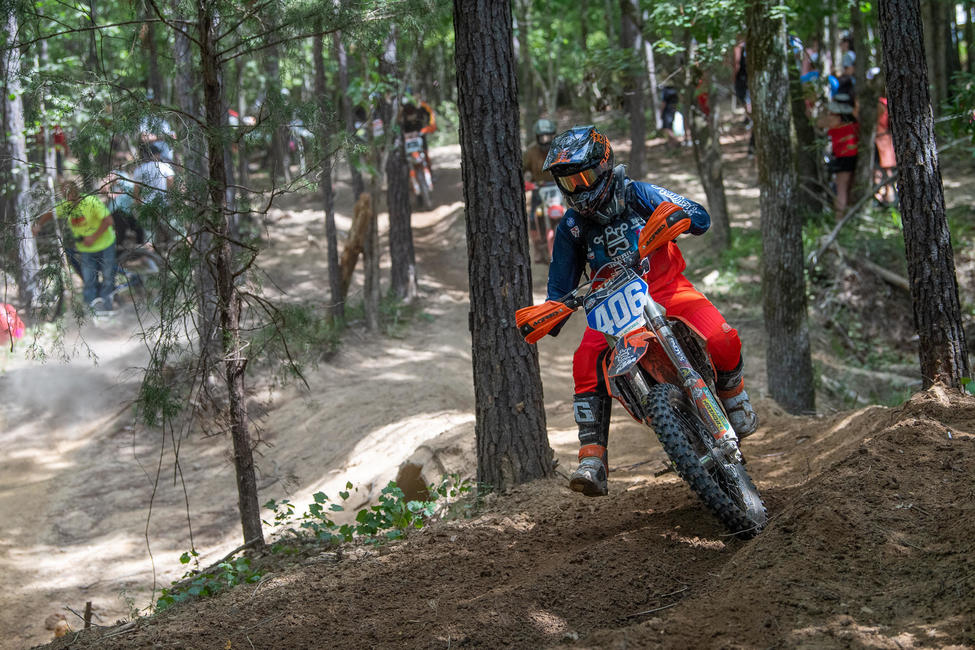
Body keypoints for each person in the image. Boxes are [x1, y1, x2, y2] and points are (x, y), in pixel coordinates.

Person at [541, 126, 758, 497]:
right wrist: (548, 312)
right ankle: (593, 457)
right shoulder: (572, 226)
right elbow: (559, 291)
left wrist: (677, 218)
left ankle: (734, 396)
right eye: (569, 182)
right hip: (612, 308)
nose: (579, 188)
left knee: (723, 337)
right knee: (584, 359)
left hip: (667, 289)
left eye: (583, 177)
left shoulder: (634, 192)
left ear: (604, 163)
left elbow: (698, 216)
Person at [32, 180, 116, 311]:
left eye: (70, 193)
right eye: (65, 194)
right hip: (86, 249)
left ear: (76, 191)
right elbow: (50, 213)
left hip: (105, 245)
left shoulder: (90, 202)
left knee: (107, 278)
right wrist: (38, 225)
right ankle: (91, 311)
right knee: (89, 280)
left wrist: (94, 237)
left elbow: (109, 221)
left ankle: (107, 308)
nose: (69, 197)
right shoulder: (66, 205)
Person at [817, 94, 858, 219]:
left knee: (841, 188)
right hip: (853, 157)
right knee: (847, 187)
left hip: (843, 158)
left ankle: (839, 217)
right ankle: (846, 215)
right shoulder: (854, 124)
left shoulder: (836, 124)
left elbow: (818, 122)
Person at [523, 118, 557, 262]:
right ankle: (538, 248)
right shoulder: (531, 151)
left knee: (569, 214)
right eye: (542, 136)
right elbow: (522, 170)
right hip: (539, 189)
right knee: (533, 217)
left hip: (559, 188)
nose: (545, 140)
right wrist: (527, 183)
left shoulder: (559, 149)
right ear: (537, 137)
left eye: (548, 136)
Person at [129, 144, 176, 244]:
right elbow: (170, 179)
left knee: (149, 237)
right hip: (163, 204)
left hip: (147, 206)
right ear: (156, 154)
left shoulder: (139, 170)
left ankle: (152, 258)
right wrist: (169, 195)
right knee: (176, 232)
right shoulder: (164, 166)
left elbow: (136, 190)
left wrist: (138, 205)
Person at [399, 94, 437, 166]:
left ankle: (428, 168)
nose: (411, 117)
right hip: (409, 143)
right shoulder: (403, 118)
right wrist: (405, 135)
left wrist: (422, 132)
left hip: (420, 137)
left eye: (412, 114)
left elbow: (431, 121)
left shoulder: (421, 110)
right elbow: (400, 129)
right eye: (409, 115)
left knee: (425, 152)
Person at [874, 96, 897, 206]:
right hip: (883, 139)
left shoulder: (880, 103)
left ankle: (890, 198)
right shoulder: (885, 102)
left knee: (885, 170)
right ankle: (883, 197)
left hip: (882, 139)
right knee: (879, 170)